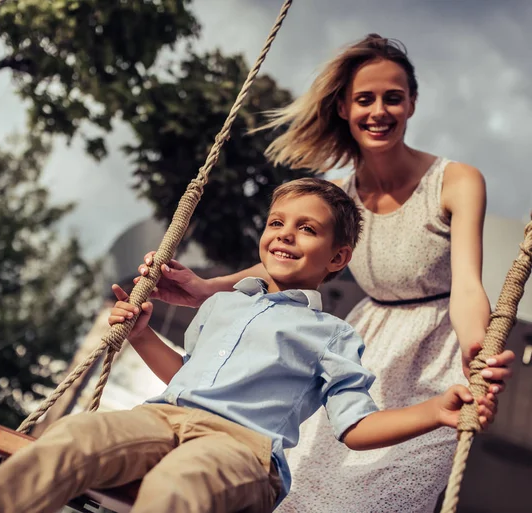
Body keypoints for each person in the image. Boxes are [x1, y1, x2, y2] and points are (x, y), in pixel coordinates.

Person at [0, 178, 495, 513]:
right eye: (278, 221)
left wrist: (434, 412)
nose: (284, 233)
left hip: (243, 452)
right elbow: (184, 374)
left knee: (180, 486)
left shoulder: (334, 334)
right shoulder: (222, 304)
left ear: (337, 257)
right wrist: (139, 335)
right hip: (163, 420)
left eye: (307, 228)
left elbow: (355, 426)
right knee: (76, 435)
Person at [133, 35, 515, 513]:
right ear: (343, 107)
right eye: (364, 99)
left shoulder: (457, 180)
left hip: (438, 352)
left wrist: (477, 346)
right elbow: (285, 258)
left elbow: (468, 285)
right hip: (364, 343)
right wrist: (210, 287)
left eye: (393, 98)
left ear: (412, 102)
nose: (379, 111)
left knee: (388, 495)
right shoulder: (337, 194)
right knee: (310, 491)